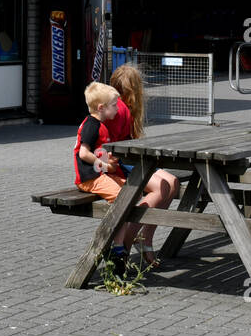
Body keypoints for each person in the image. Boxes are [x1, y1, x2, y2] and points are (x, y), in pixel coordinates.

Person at [73, 81, 168, 266]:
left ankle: (119, 245)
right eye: (114, 105)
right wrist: (103, 164)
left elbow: (99, 152)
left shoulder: (102, 125)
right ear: (101, 108)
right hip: (89, 178)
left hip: (99, 174)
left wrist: (109, 163)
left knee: (131, 193)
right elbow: (83, 153)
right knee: (122, 198)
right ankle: (116, 248)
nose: (118, 108)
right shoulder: (91, 125)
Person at [108, 64, 179, 263]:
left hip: (131, 158)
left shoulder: (126, 108)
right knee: (162, 186)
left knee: (173, 183)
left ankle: (146, 238)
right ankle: (129, 237)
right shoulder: (118, 109)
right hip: (120, 161)